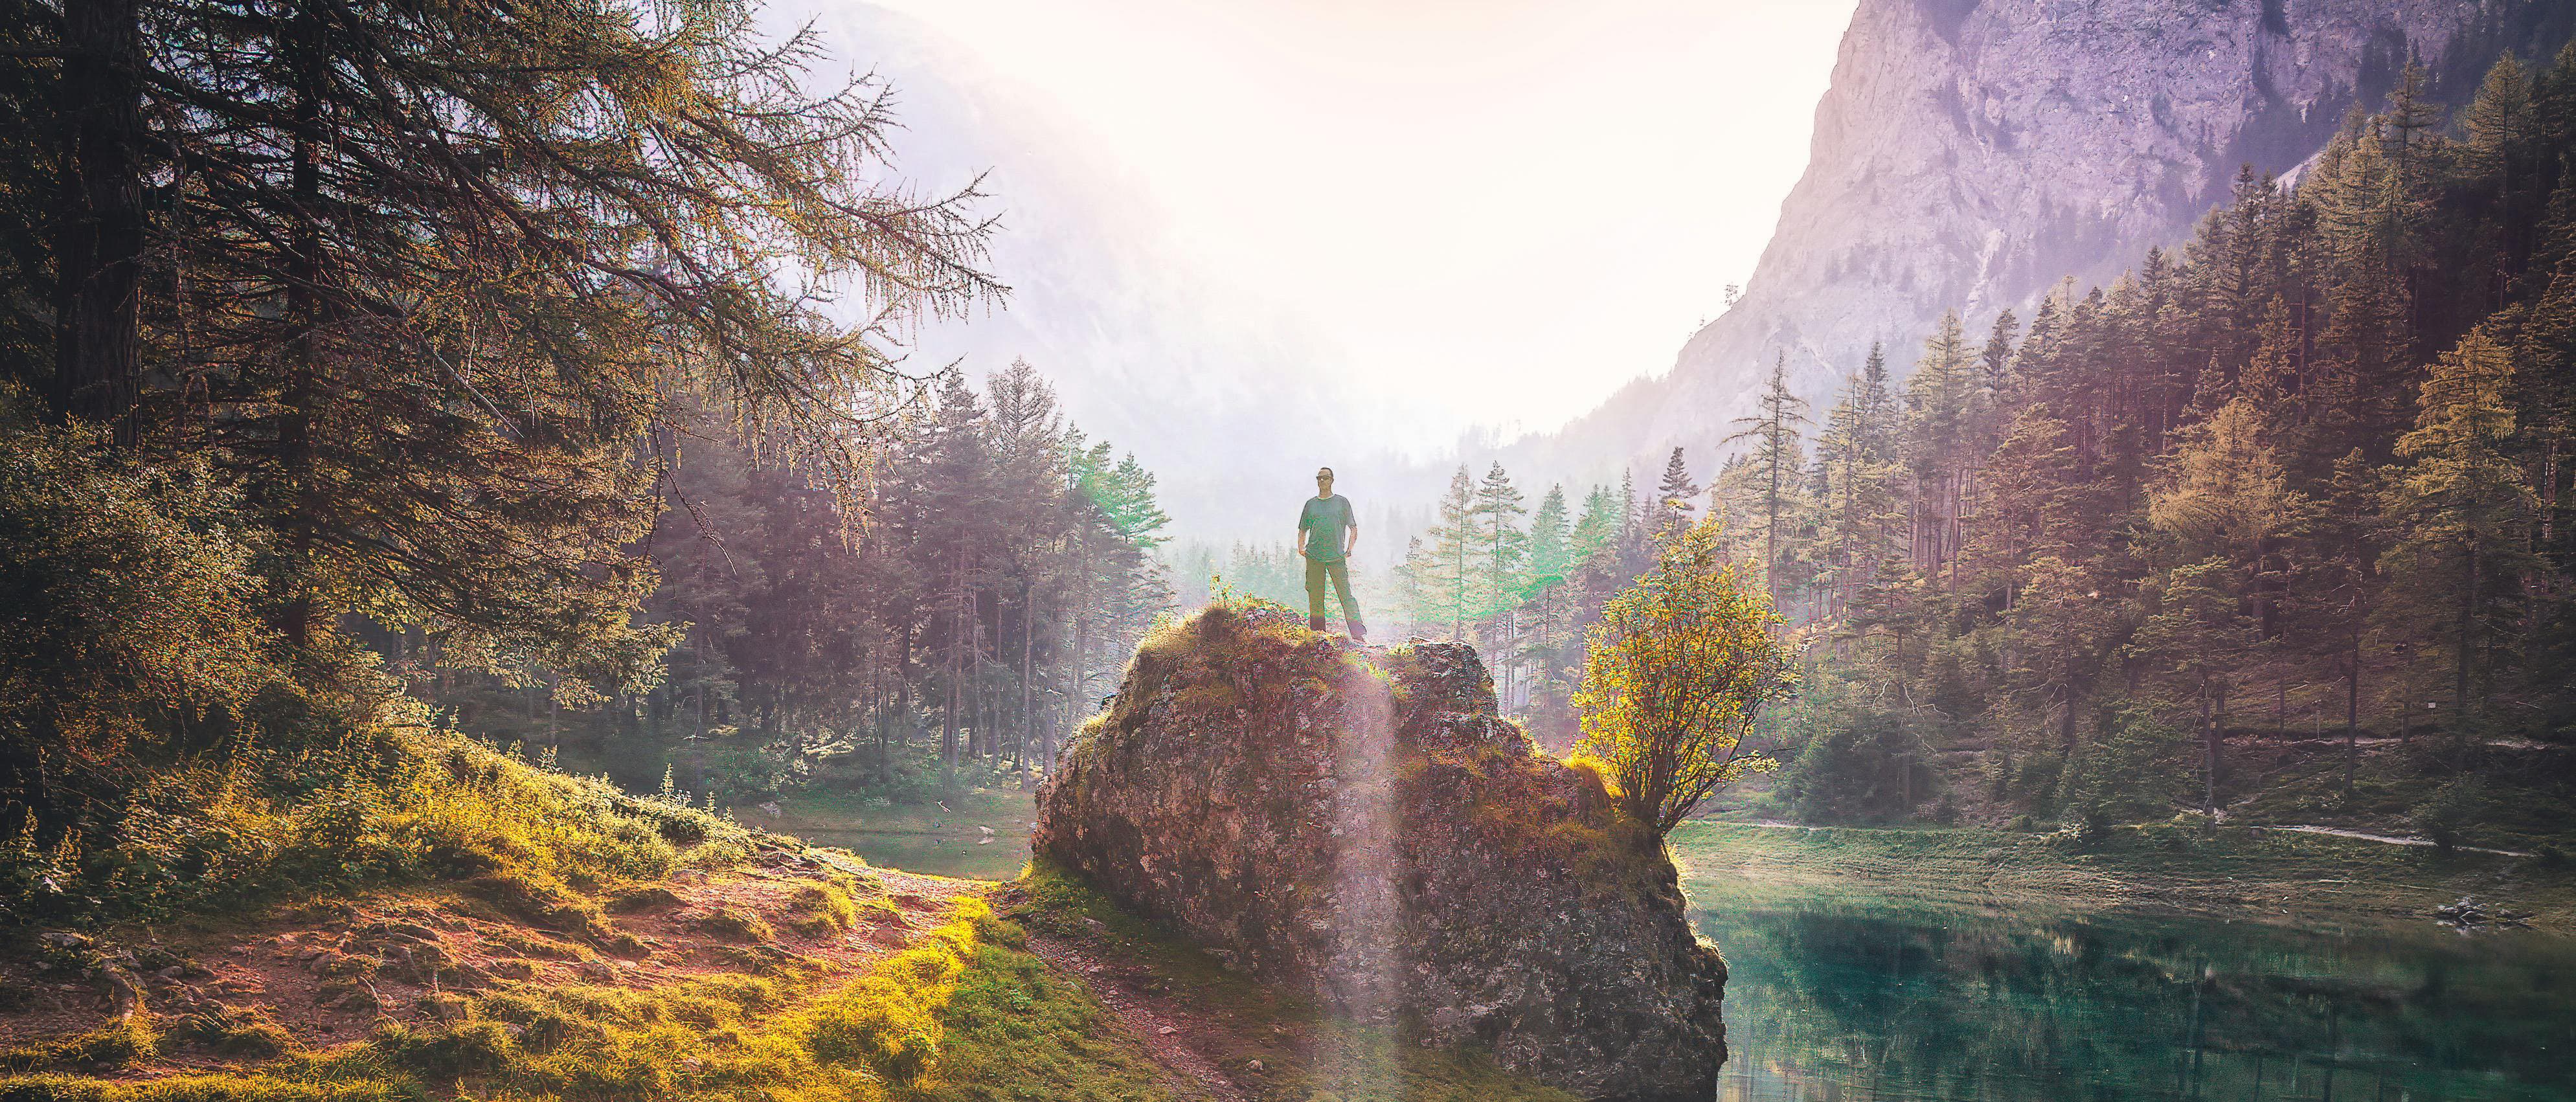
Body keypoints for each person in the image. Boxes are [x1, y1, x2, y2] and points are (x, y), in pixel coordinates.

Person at [1296, 467, 1366, 642]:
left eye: (1325, 478)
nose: (1322, 481)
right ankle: (1318, 635)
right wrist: (1301, 548)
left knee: (1346, 595)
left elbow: (1353, 528)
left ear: (1332, 481)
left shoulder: (1342, 502)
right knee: (1316, 595)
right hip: (1314, 557)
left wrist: (1350, 549)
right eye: (1319, 478)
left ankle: (1358, 634)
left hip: (1336, 557)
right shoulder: (1311, 504)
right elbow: (1303, 529)